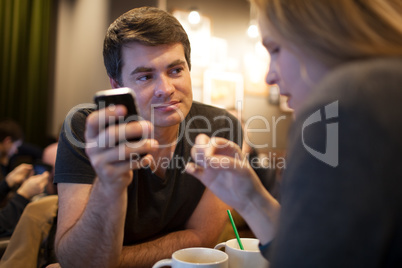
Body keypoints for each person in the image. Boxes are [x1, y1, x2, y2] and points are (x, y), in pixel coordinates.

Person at [185, 0, 402, 267]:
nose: (269, 77)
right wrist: (251, 199)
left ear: (323, 34)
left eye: (275, 49)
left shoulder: (348, 105)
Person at [54, 6, 242, 268]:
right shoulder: (86, 130)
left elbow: (203, 238)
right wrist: (110, 185)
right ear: (117, 86)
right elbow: (78, 261)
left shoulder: (221, 126)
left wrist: (110, 260)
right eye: (145, 76)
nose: (166, 89)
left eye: (176, 70)